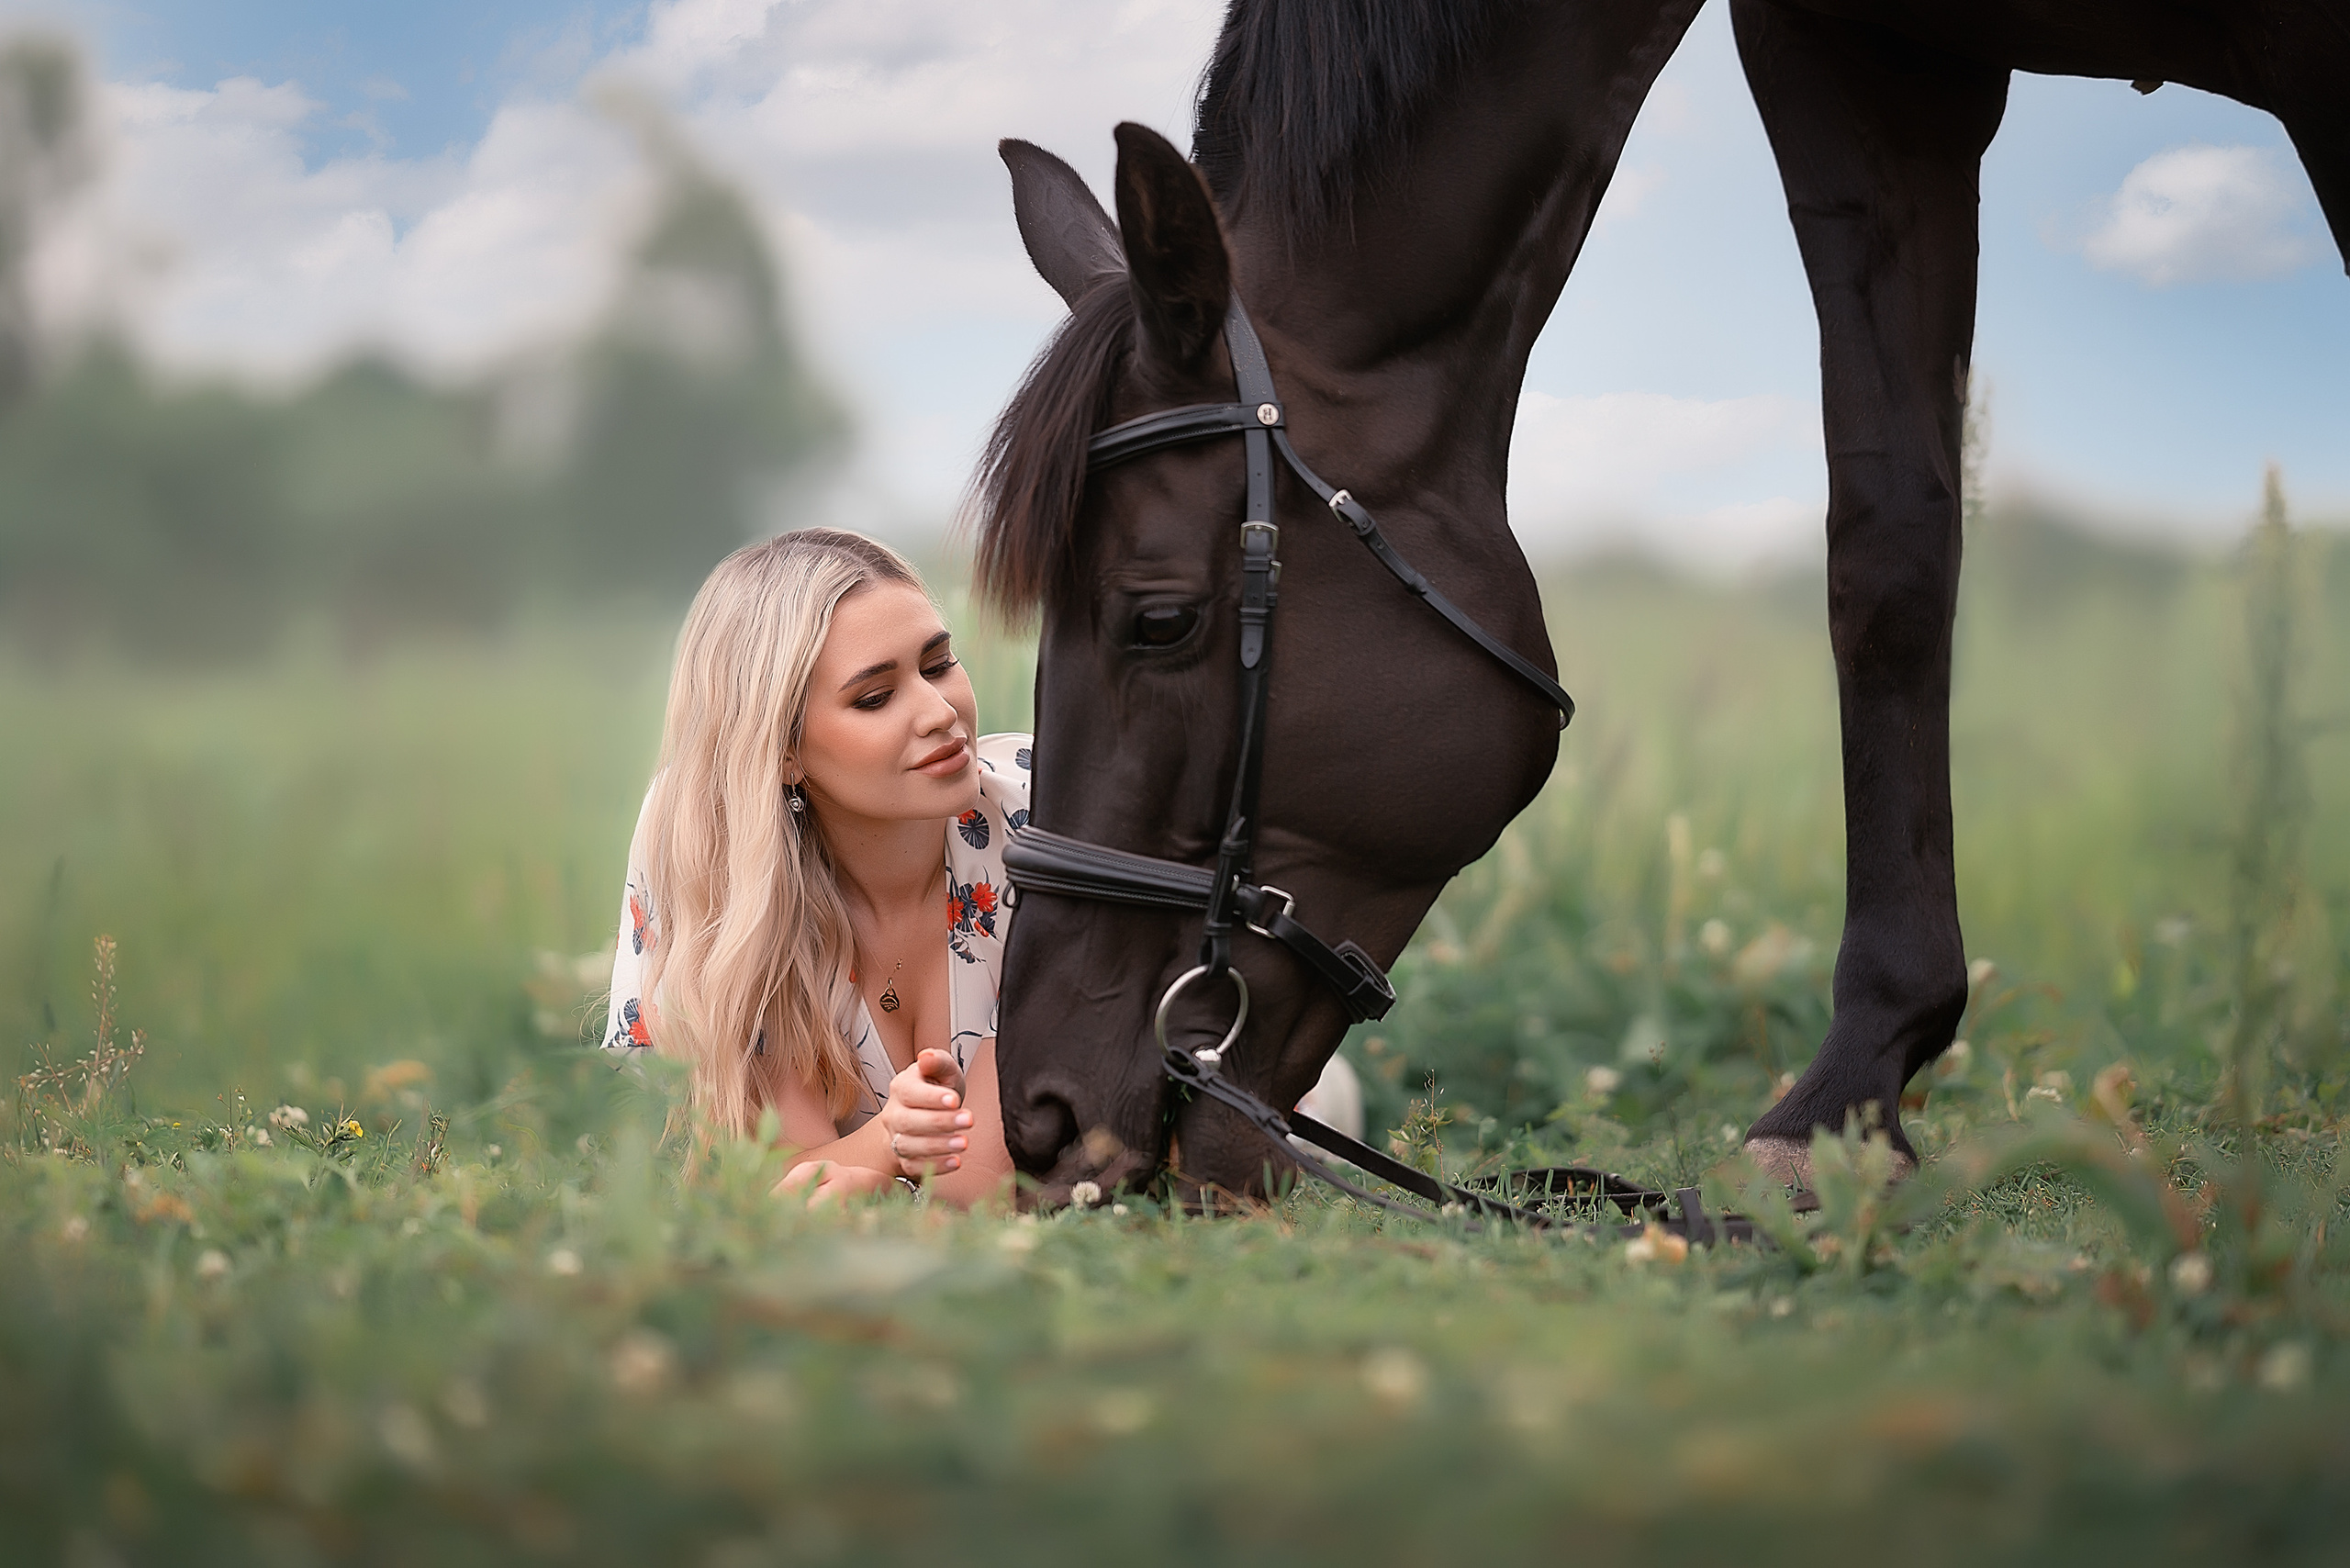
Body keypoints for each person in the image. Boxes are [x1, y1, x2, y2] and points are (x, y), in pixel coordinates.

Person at [602, 528, 1021, 1206]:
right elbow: (765, 1178)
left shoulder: (1039, 821)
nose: (941, 714)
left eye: (939, 664)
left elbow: (981, 1193)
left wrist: (865, 1179)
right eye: (875, 698)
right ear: (784, 751)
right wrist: (888, 1141)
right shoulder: (718, 851)